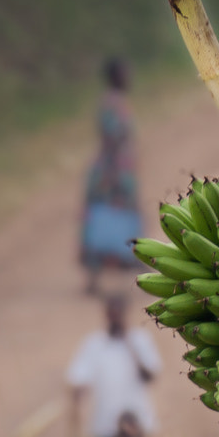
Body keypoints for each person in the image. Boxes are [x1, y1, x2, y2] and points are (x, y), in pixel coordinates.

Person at [80, 56, 142, 295]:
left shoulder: (115, 102)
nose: (129, 77)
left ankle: (103, 275)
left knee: (107, 217)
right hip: (112, 169)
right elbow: (113, 138)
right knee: (107, 216)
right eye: (125, 73)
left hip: (116, 167)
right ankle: (97, 276)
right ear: (115, 77)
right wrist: (115, 174)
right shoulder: (113, 103)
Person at [67, 294, 162, 437]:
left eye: (119, 314)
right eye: (112, 314)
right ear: (106, 314)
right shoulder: (93, 344)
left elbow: (150, 376)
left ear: (125, 313)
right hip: (105, 427)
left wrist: (129, 344)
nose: (115, 318)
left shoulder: (140, 339)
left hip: (139, 426)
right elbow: (77, 380)